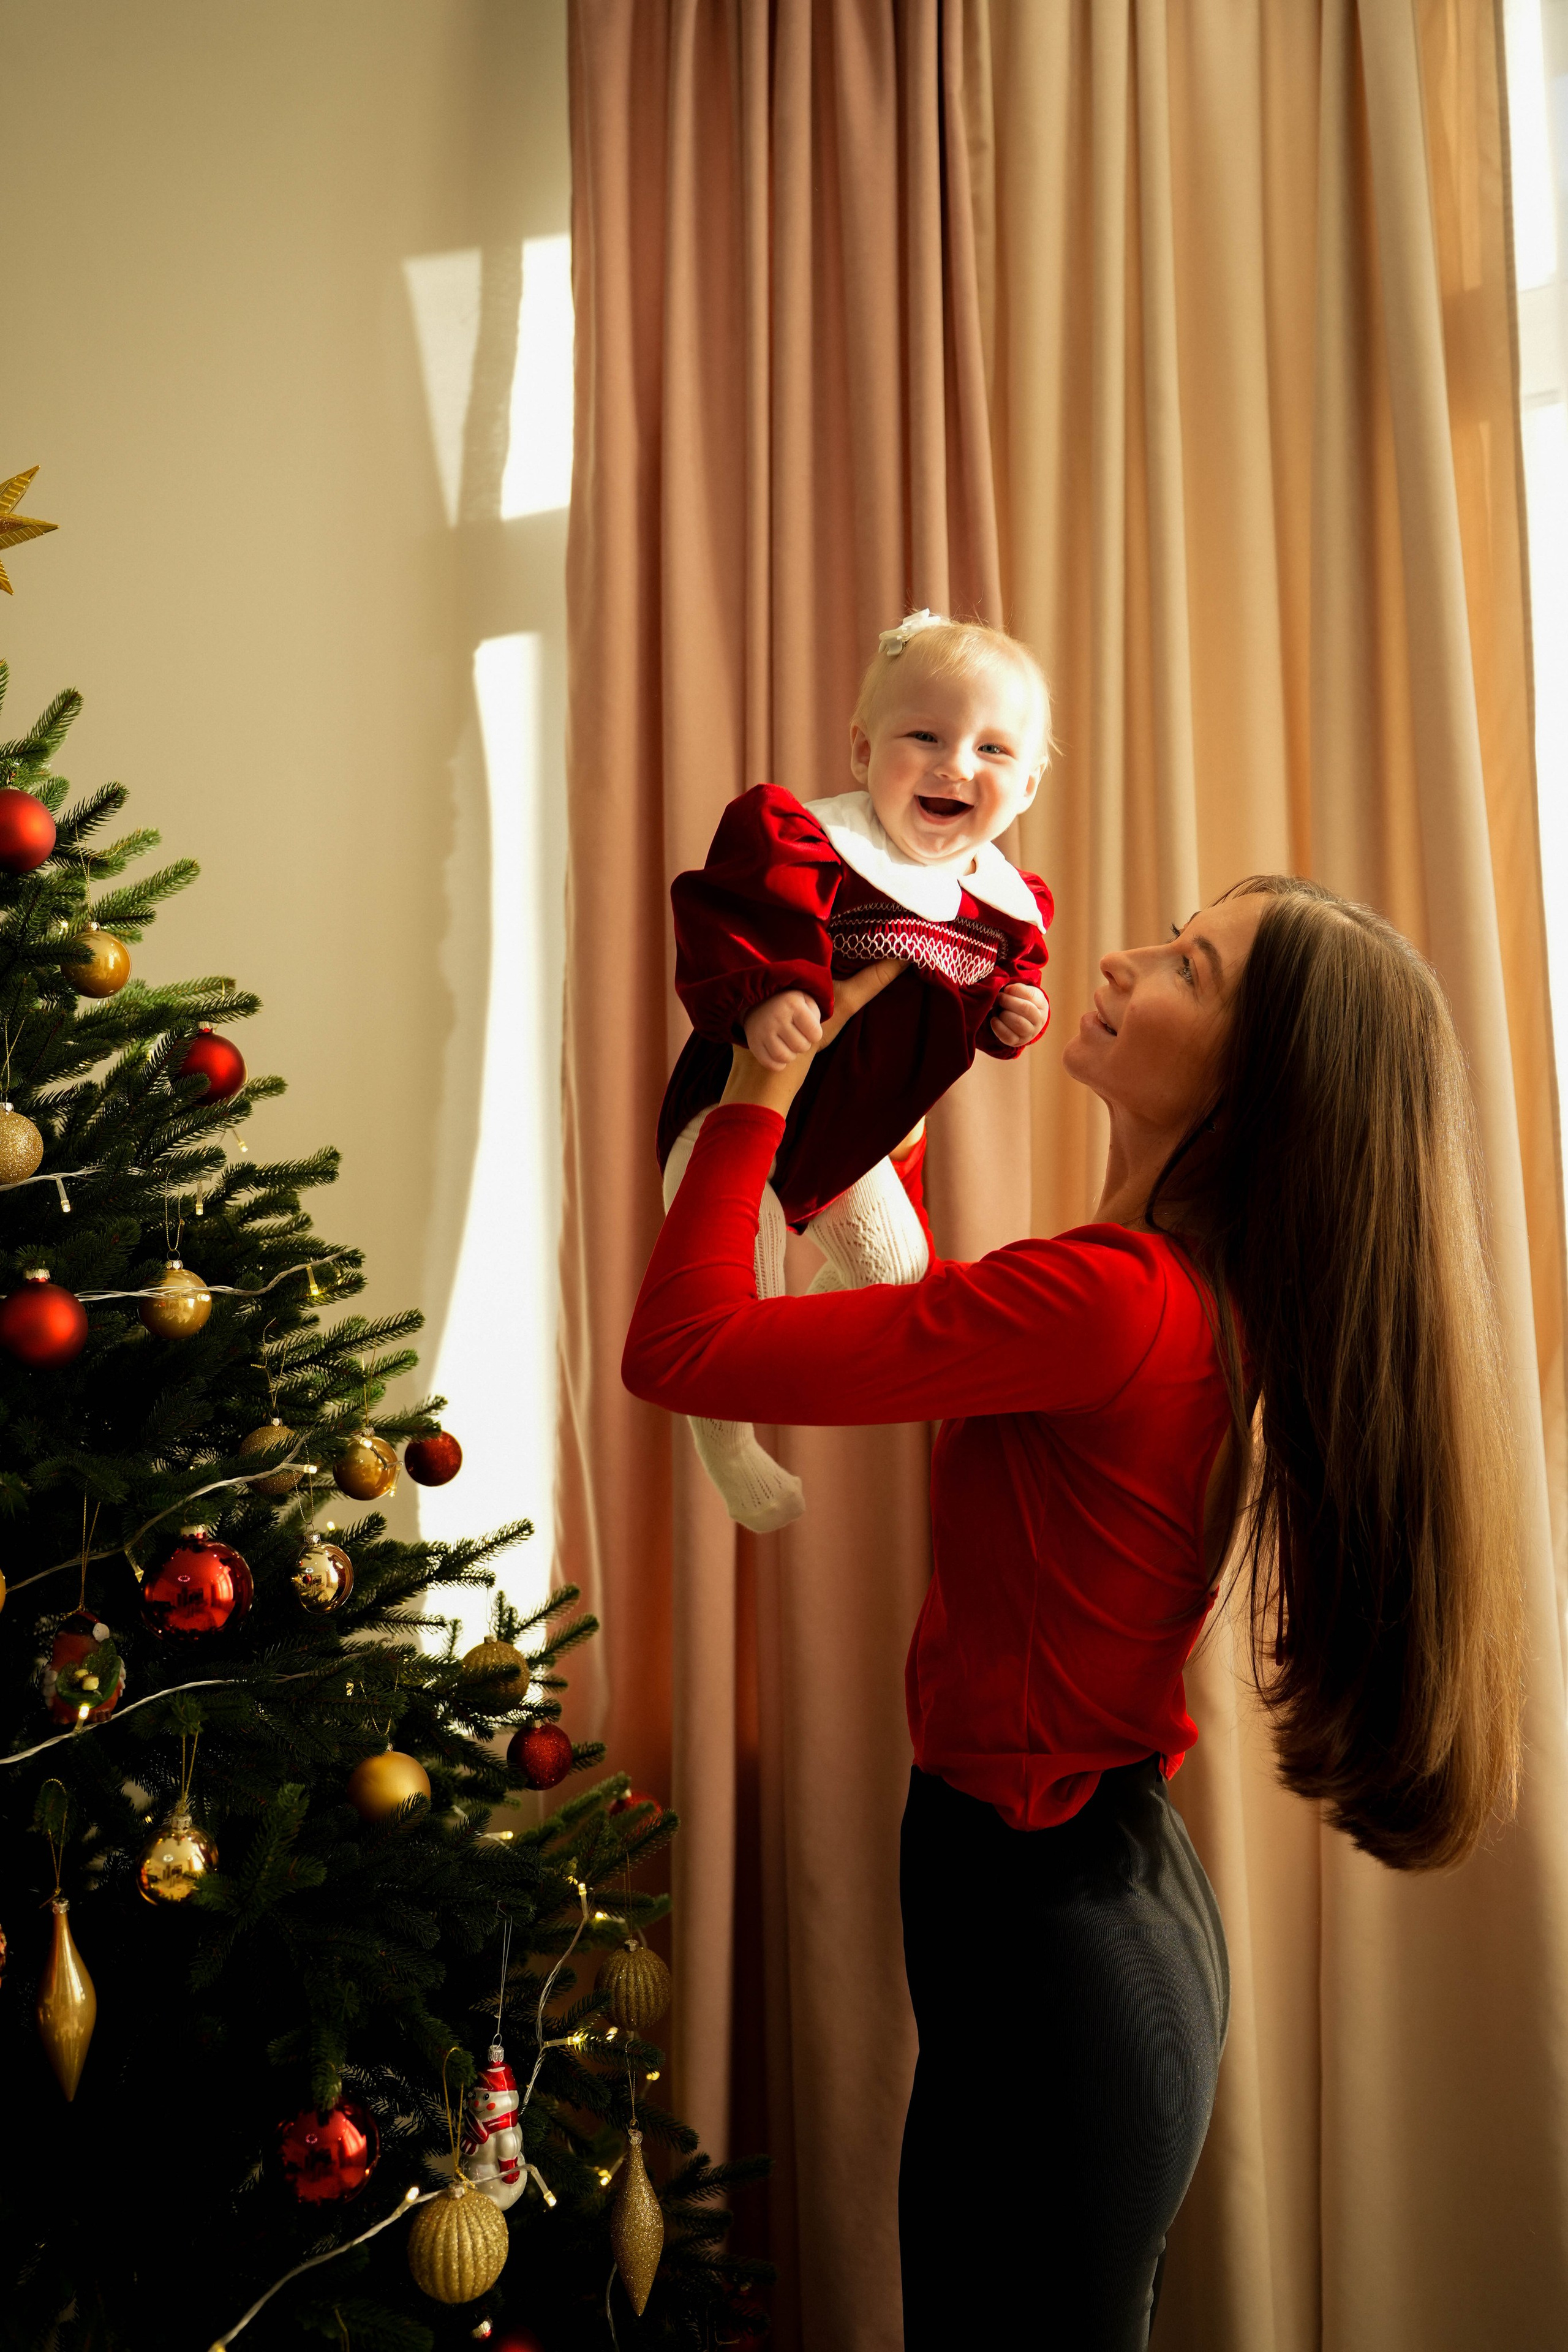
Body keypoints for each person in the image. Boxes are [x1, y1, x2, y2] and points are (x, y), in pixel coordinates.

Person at [622, 876, 1525, 2348]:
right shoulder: (1145, 1290)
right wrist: (865, 1113)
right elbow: (904, 1310)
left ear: (1253, 1085)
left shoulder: (1110, 1302)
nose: (1120, 958)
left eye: (1190, 967)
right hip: (1073, 1909)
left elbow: (683, 1345)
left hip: (1055, 1938)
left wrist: (756, 1085)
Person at [657, 609, 1055, 1532]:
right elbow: (730, 921)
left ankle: (782, 1339)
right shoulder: (808, 842)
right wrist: (766, 996)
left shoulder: (1003, 905)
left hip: (853, 1141)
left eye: (993, 749)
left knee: (901, 1277)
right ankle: (729, 1445)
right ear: (862, 749)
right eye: (927, 735)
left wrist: (1012, 1017)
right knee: (724, 1304)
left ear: (1028, 785)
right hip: (730, 1121)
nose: (957, 763)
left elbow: (988, 997)